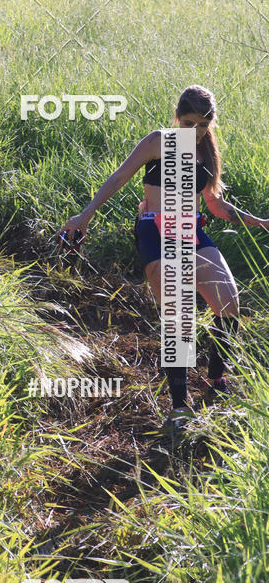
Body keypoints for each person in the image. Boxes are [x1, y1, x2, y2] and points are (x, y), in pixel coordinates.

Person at [57, 85, 269, 438]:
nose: (193, 131)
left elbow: (215, 205)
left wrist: (258, 222)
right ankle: (179, 405)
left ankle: (217, 377)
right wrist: (85, 215)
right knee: (180, 311)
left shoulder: (206, 154)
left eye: (201, 125)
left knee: (229, 301)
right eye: (187, 123)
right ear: (177, 117)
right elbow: (120, 177)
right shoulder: (159, 140)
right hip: (155, 231)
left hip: (193, 231)